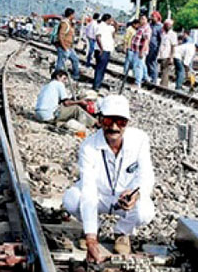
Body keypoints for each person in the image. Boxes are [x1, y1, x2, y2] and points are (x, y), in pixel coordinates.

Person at [62, 95, 155, 262]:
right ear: (99, 120)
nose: (113, 127)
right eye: (108, 121)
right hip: (99, 196)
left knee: (145, 211)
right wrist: (91, 239)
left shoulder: (140, 140)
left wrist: (136, 194)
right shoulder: (88, 146)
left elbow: (146, 174)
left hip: (124, 200)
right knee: (72, 199)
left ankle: (122, 232)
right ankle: (92, 229)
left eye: (120, 122)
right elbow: (89, 189)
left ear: (127, 123)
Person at [121, 15, 151, 92]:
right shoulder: (141, 28)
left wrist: (142, 51)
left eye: (143, 19)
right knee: (140, 65)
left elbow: (146, 41)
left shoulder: (146, 28)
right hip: (135, 50)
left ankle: (138, 83)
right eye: (141, 19)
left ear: (147, 20)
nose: (141, 20)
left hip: (140, 50)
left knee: (138, 66)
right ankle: (145, 78)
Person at [55, 8, 80, 80]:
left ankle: (75, 76)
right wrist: (64, 47)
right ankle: (56, 77)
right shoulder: (64, 23)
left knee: (75, 60)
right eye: (73, 14)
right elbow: (60, 35)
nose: (74, 16)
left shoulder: (69, 23)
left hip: (69, 47)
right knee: (60, 63)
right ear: (71, 15)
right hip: (64, 46)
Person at [91, 13, 116, 91]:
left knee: (102, 68)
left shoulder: (108, 27)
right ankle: (96, 86)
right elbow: (98, 37)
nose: (111, 21)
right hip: (102, 50)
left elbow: (115, 29)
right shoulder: (100, 26)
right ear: (107, 20)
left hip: (106, 50)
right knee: (100, 68)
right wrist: (101, 48)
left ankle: (98, 84)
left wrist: (114, 22)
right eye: (110, 19)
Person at [157, 19, 177, 88]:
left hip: (167, 55)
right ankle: (162, 84)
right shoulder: (163, 33)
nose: (167, 26)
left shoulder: (173, 34)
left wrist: (171, 57)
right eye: (166, 24)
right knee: (162, 70)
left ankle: (164, 86)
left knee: (165, 71)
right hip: (162, 54)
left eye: (168, 25)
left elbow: (173, 46)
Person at [145, 11, 162, 85]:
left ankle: (153, 80)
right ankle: (147, 78)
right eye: (151, 16)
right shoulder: (149, 25)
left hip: (154, 47)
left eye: (153, 16)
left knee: (152, 63)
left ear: (158, 18)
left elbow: (160, 39)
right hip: (147, 46)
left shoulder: (160, 27)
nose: (152, 18)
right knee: (147, 62)